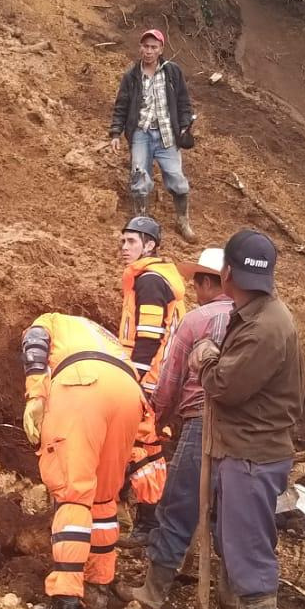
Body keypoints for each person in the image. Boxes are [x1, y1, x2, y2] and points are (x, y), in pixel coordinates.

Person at [189, 229, 304, 609]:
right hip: (245, 446)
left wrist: (206, 361)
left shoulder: (265, 326)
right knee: (238, 538)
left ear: (227, 273)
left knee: (248, 542)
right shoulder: (256, 314)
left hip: (254, 451)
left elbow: (227, 386)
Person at [116, 247, 233, 609]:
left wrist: (160, 417)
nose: (195, 288)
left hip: (202, 422)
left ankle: (153, 590)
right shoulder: (255, 319)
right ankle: (231, 596)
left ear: (210, 282)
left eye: (198, 280)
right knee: (231, 510)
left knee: (178, 504)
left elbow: (170, 379)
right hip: (248, 430)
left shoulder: (198, 321)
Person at [21, 313, 146, 609]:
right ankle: (98, 586)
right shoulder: (105, 337)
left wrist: (36, 393)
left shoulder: (51, 320)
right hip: (129, 394)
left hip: (81, 385)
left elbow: (34, 344)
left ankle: (65, 602)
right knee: (103, 498)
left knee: (73, 496)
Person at [116, 215, 186, 547]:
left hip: (150, 379)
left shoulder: (151, 281)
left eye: (131, 241)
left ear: (150, 245)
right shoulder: (154, 278)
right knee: (148, 446)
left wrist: (135, 378)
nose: (124, 248)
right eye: (123, 241)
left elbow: (148, 336)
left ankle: (148, 523)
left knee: (144, 447)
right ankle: (146, 518)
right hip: (157, 377)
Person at [108, 29, 197, 241]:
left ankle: (182, 220)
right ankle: (142, 222)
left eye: (153, 47)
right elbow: (121, 106)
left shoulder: (172, 72)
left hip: (167, 134)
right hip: (141, 133)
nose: (148, 51)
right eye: (145, 47)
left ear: (161, 50)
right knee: (139, 177)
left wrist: (185, 126)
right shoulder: (132, 76)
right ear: (141, 48)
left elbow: (184, 102)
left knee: (177, 178)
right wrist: (115, 133)